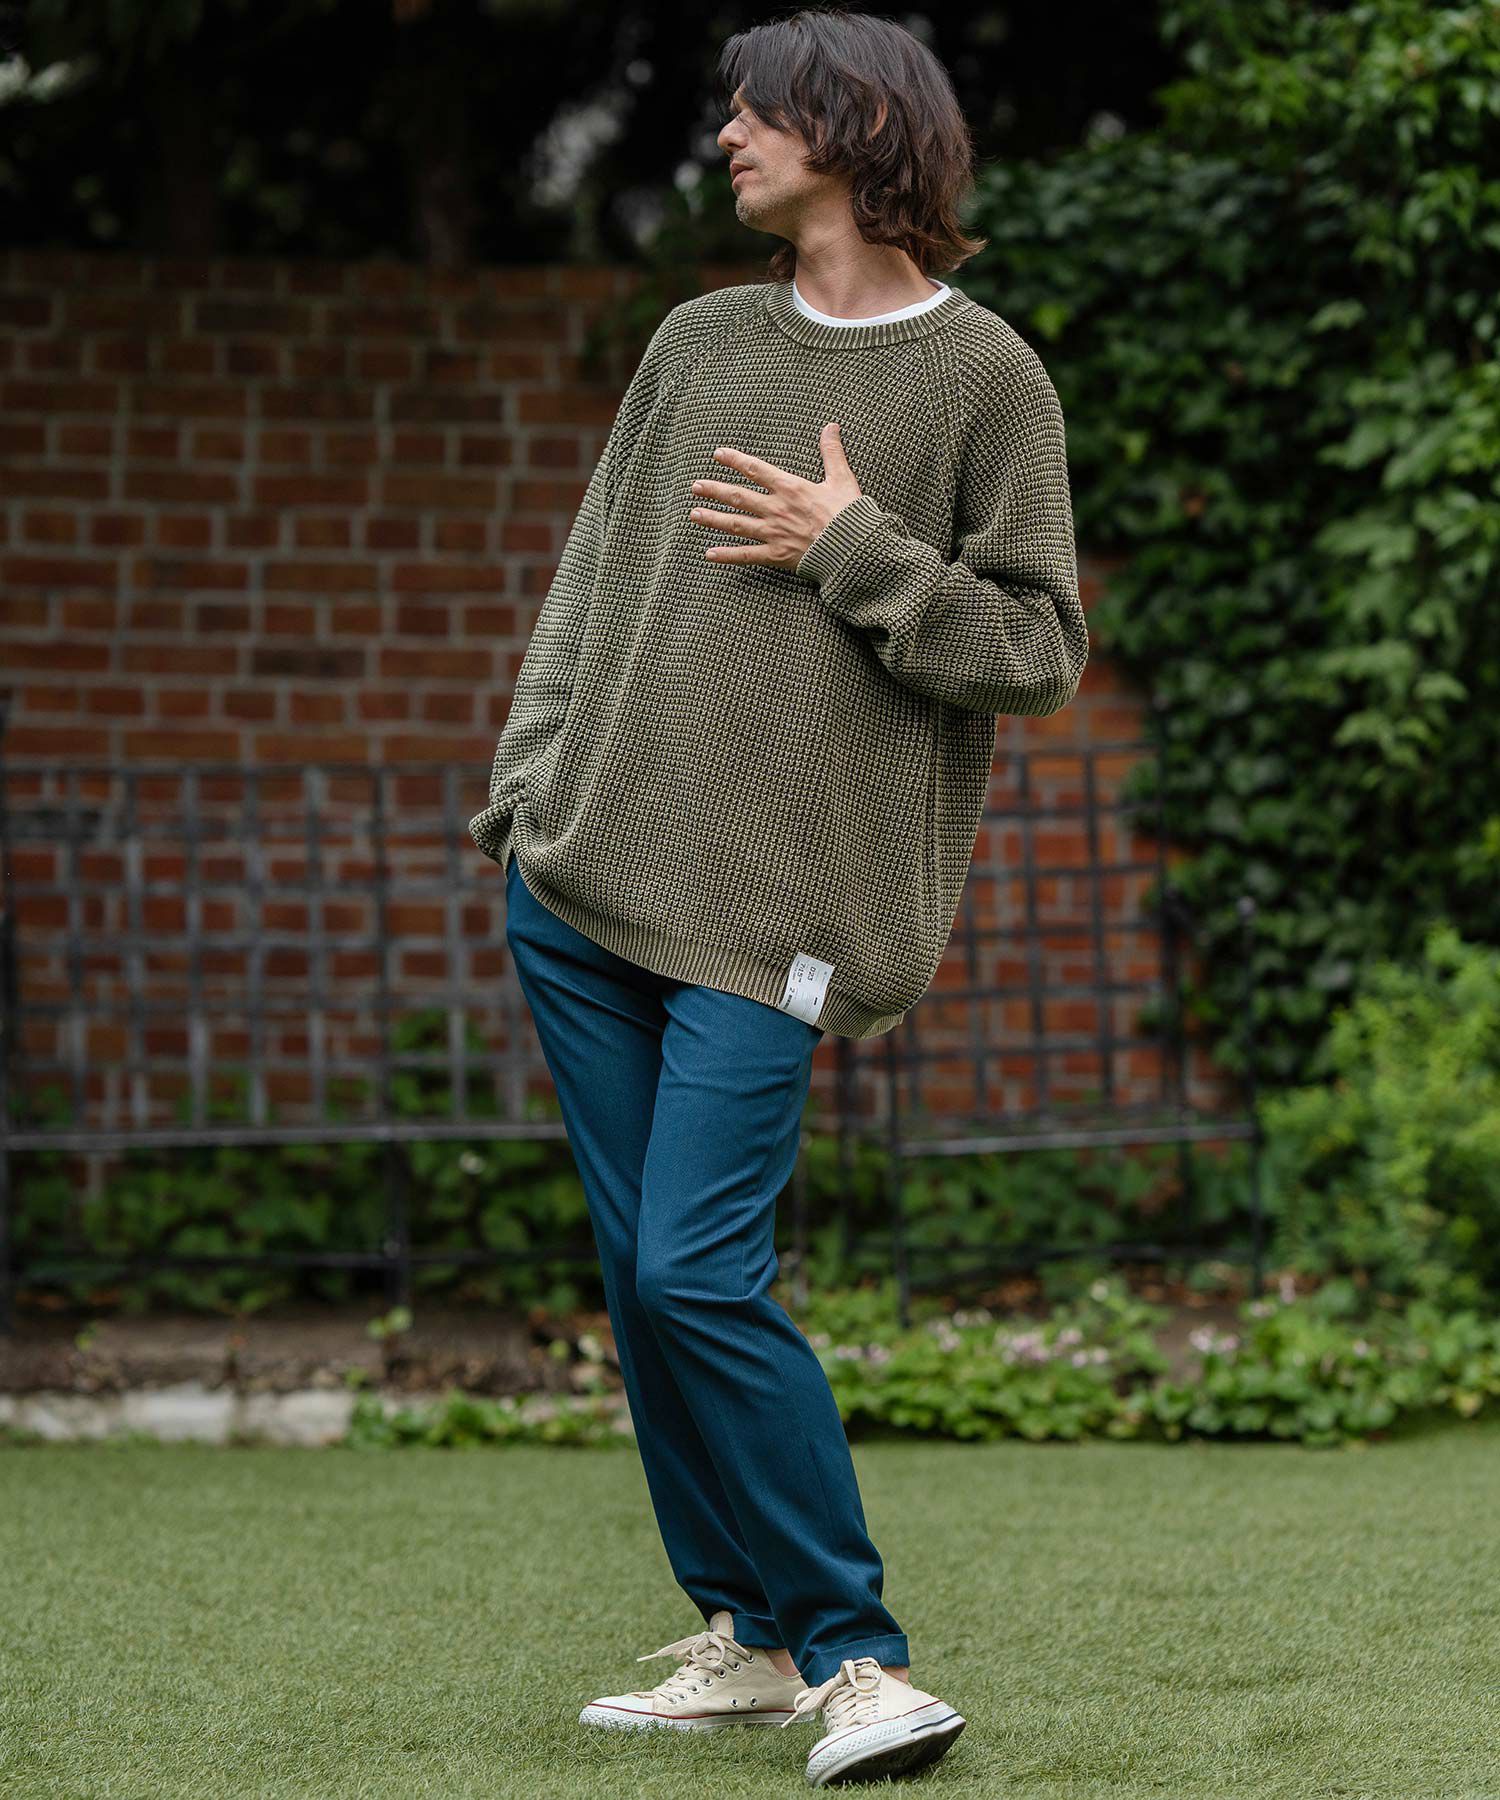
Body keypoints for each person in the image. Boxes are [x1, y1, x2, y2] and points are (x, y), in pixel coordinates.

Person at [470, 7, 1087, 1786]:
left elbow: (1035, 651)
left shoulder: (985, 380)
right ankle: (743, 1633)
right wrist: (526, 788)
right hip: (584, 883)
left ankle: (857, 1656)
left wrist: (852, 548)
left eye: (755, 112)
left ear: (854, 129)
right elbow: (595, 574)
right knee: (639, 1277)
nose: (727, 136)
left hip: (782, 917)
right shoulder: (698, 342)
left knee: (696, 1268)